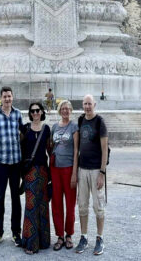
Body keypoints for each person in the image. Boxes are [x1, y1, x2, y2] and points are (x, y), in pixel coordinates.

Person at [0, 86, 24, 247]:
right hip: (0, 163)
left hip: (16, 162)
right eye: (5, 97)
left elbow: (22, 136)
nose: (7, 99)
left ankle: (16, 233)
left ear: (12, 97)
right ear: (1, 98)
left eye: (9, 96)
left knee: (16, 199)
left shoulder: (17, 114)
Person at [74, 94, 108, 256]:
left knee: (98, 206)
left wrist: (102, 172)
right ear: (83, 105)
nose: (87, 106)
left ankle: (100, 238)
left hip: (96, 170)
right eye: (85, 104)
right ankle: (83, 236)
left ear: (94, 104)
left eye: (90, 104)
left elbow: (104, 149)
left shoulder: (100, 122)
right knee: (82, 205)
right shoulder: (81, 120)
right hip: (82, 168)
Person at [21, 102, 51, 254]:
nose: (35, 113)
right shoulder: (25, 129)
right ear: (30, 113)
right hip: (30, 172)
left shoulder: (46, 129)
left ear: (42, 112)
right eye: (32, 111)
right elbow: (19, 149)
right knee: (31, 206)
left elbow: (51, 151)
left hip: (44, 172)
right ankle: (31, 243)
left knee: (43, 206)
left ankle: (44, 241)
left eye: (37, 110)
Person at [50, 100, 79, 251]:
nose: (65, 111)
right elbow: (51, 146)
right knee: (56, 203)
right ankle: (60, 235)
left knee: (70, 203)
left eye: (68, 109)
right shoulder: (54, 126)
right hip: (55, 168)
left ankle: (69, 234)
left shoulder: (74, 126)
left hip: (68, 169)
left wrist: (75, 173)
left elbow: (76, 151)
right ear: (59, 110)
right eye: (63, 108)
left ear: (71, 110)